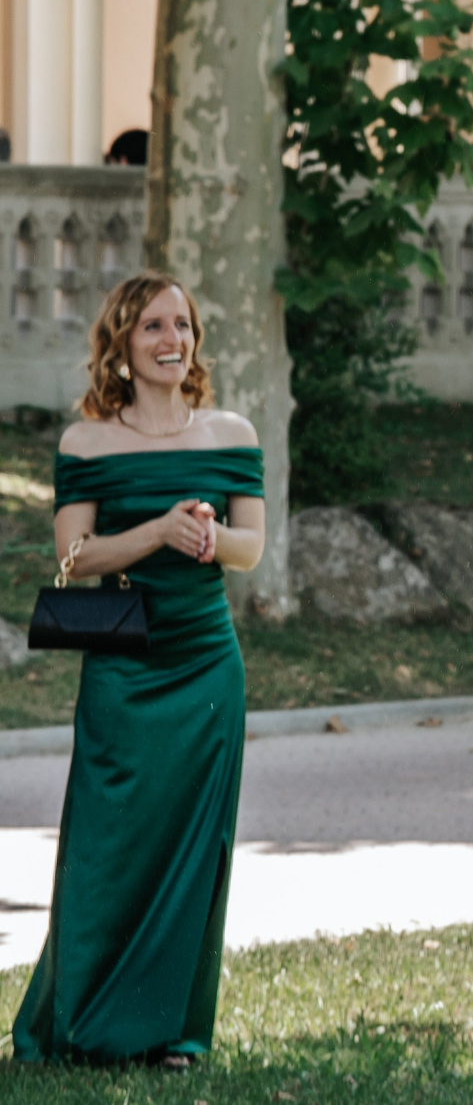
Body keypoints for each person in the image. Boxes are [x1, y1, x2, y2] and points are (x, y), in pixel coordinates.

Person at [11, 274, 265, 1066]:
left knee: (196, 849)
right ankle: (78, 1025)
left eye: (182, 325)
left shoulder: (231, 433)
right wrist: (155, 529)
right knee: (104, 844)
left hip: (206, 664)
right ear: (122, 341)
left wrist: (204, 533)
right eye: (153, 325)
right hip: (125, 667)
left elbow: (249, 548)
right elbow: (72, 555)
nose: (171, 339)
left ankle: (175, 1034)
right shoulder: (87, 441)